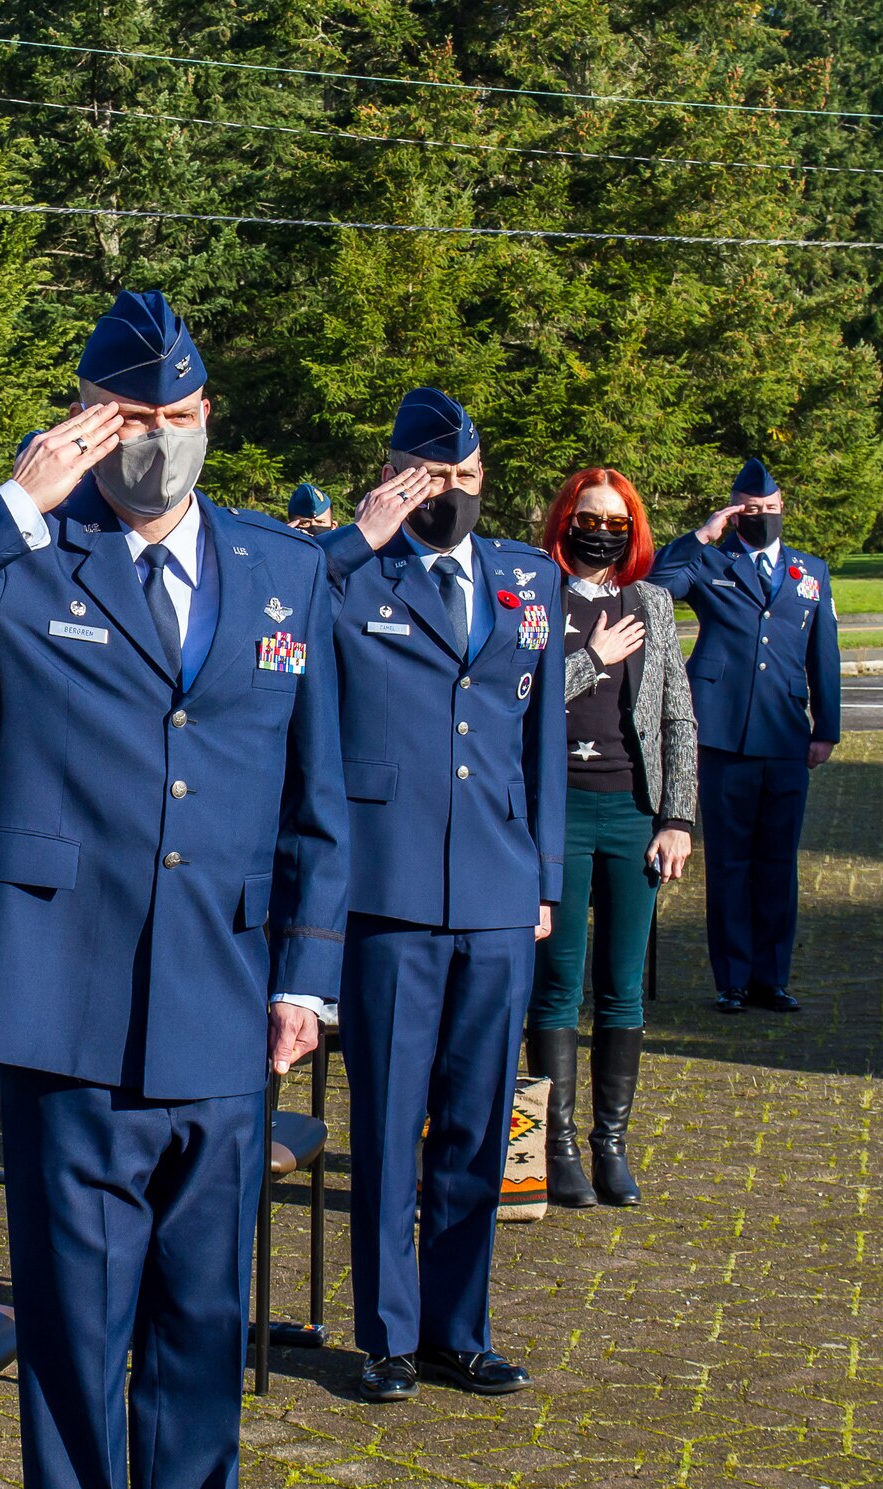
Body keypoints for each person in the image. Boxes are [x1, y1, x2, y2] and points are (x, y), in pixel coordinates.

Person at [0, 290, 349, 1489]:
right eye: (129, 415)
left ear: (209, 415)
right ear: (79, 420)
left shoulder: (280, 570)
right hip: (64, 1006)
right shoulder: (24, 559)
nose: (156, 437)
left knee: (199, 1327)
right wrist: (15, 502)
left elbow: (314, 799)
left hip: (228, 1006)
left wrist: (309, 976)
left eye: (176, 413)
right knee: (75, 1336)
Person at [317, 386, 565, 1403]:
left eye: (465, 478)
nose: (450, 495)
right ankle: (383, 1331)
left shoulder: (526, 580)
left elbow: (539, 736)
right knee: (385, 1122)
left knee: (476, 1121)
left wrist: (541, 876)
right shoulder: (349, 578)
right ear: (391, 476)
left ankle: (454, 1328)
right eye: (430, 477)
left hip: (499, 893)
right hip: (387, 890)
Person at [526, 469, 697, 1209]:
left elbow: (678, 718)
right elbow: (517, 700)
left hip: (634, 812)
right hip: (557, 814)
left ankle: (610, 1144)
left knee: (622, 986)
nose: (602, 528)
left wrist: (678, 818)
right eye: (589, 515)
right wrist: (591, 658)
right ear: (565, 521)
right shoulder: (536, 594)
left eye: (617, 518)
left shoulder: (653, 604)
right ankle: (556, 1146)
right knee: (558, 982)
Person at [649, 458, 839, 1015]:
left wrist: (826, 728)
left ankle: (771, 979)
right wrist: (704, 534)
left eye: (771, 509)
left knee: (778, 862)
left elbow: (822, 654)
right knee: (729, 862)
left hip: (785, 735)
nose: (763, 518)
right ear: (735, 512)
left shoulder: (810, 572)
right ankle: (730, 979)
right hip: (723, 734)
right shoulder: (711, 561)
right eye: (751, 511)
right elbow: (657, 589)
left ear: (783, 508)